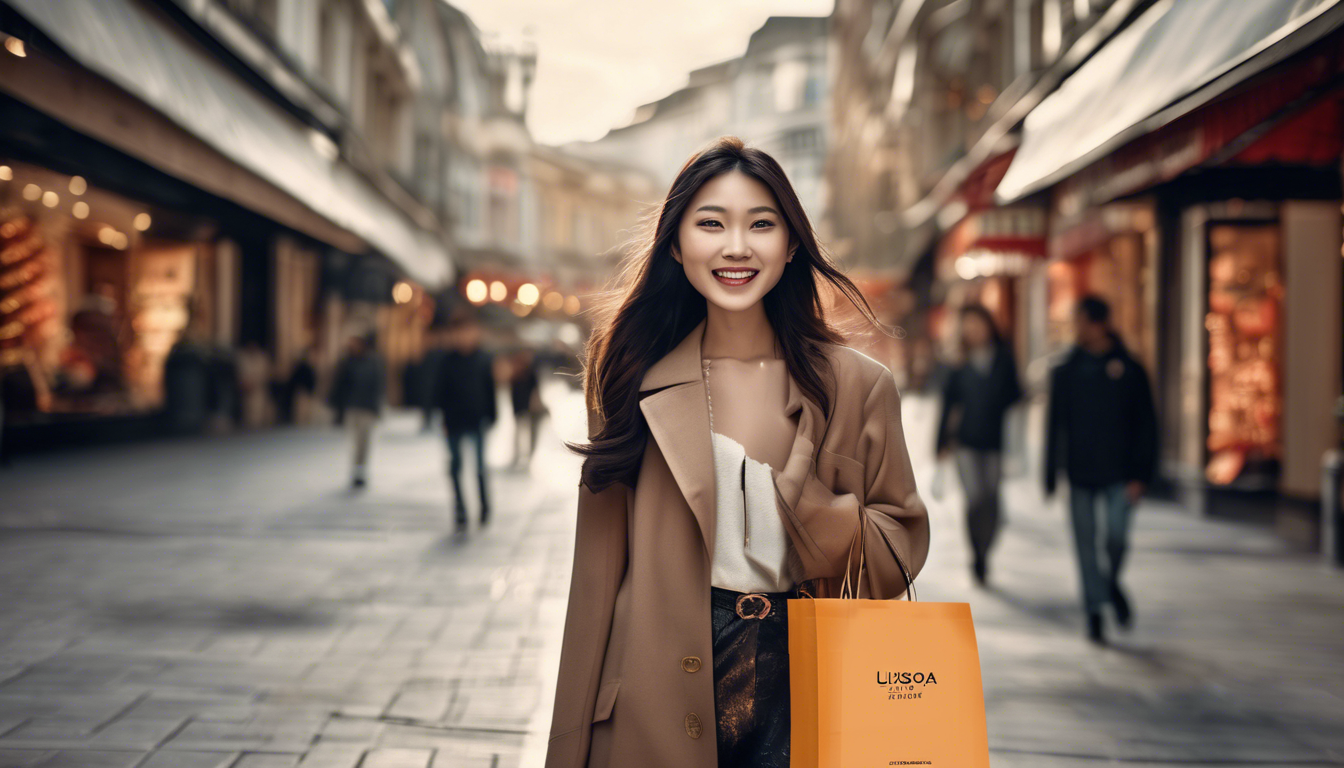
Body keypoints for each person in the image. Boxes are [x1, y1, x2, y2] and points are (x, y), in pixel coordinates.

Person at [544, 136, 930, 768]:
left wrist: (818, 517)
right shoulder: (629, 377)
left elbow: (902, 549)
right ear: (676, 243)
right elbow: (593, 580)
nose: (736, 247)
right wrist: (568, 751)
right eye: (711, 224)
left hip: (809, 676)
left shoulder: (858, 385)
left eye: (761, 224)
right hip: (653, 690)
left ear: (792, 244)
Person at [1045, 295, 1158, 645]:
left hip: (1121, 473)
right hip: (1080, 472)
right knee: (1084, 543)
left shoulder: (1131, 370)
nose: (1076, 328)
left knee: (1116, 538)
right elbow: (1055, 426)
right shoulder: (1065, 371)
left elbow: (1147, 425)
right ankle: (1094, 610)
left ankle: (1109, 586)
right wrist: (1050, 473)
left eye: (1080, 321)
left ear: (1099, 324)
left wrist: (1142, 475)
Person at [935, 304, 1023, 586]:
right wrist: (940, 444)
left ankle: (987, 548)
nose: (973, 331)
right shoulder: (957, 363)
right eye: (968, 326)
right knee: (975, 498)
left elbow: (1016, 397)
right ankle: (977, 553)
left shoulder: (1005, 360)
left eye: (978, 324)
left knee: (992, 497)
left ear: (989, 326)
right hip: (965, 442)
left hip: (997, 442)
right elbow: (947, 406)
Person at [433, 311, 497, 531]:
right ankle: (460, 507)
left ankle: (484, 505)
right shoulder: (446, 361)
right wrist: (441, 415)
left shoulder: (484, 358)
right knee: (455, 465)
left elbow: (490, 390)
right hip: (453, 420)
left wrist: (492, 415)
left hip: (477, 418)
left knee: (480, 466)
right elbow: (439, 391)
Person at [330, 333, 385, 488]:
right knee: (355, 441)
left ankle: (361, 470)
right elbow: (339, 384)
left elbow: (378, 385)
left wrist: (377, 407)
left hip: (367, 408)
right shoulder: (347, 362)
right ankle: (356, 470)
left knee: (364, 442)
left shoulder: (373, 361)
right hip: (352, 406)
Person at [508, 346, 549, 469]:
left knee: (530, 433)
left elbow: (536, 391)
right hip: (520, 408)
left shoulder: (531, 373)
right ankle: (518, 456)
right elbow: (513, 395)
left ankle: (529, 456)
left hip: (531, 409)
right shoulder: (515, 375)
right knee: (518, 433)